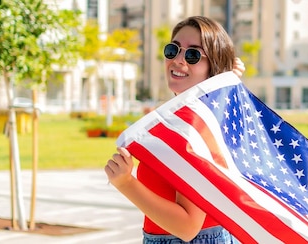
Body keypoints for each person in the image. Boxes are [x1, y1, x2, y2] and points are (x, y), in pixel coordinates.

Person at [104, 16, 244, 243]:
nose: (178, 60)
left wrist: (125, 182)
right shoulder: (198, 113)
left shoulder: (194, 128)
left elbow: (188, 226)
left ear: (213, 67)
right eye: (173, 50)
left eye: (192, 55)